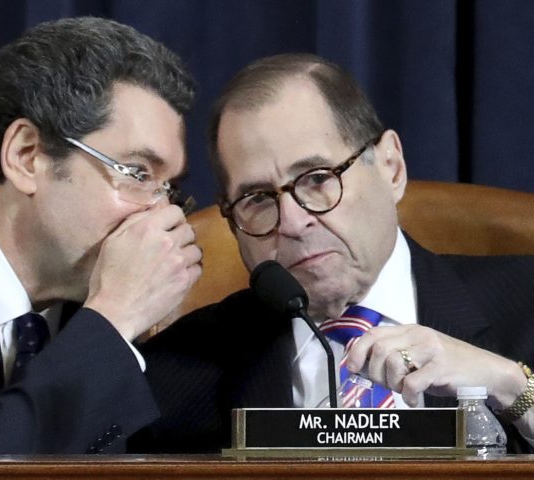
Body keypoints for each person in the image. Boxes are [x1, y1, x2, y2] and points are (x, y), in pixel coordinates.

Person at [134, 53, 534, 453]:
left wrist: (515, 390)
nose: (292, 222)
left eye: (318, 178)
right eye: (257, 198)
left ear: (391, 167)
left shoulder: (526, 303)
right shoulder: (178, 368)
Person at [0, 17, 202, 454]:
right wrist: (115, 316)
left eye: (170, 188)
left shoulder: (120, 315)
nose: (163, 215)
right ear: (26, 157)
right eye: (137, 173)